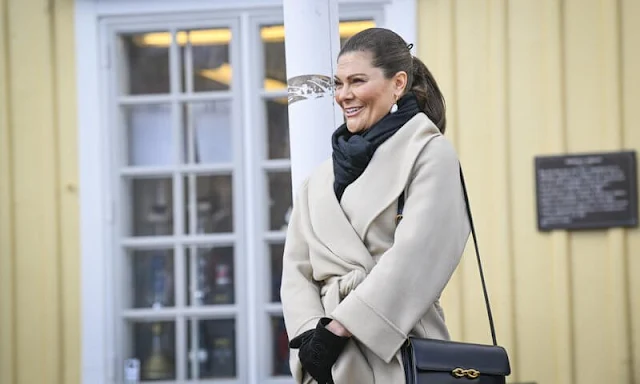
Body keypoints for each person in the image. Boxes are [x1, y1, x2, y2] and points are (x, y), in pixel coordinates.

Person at [280, 27, 471, 384]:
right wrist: (310, 337)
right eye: (338, 84)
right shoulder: (319, 178)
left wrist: (341, 328)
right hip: (327, 363)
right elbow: (296, 270)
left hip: (400, 351)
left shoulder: (430, 154)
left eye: (357, 81)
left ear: (398, 83)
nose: (344, 95)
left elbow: (419, 256)